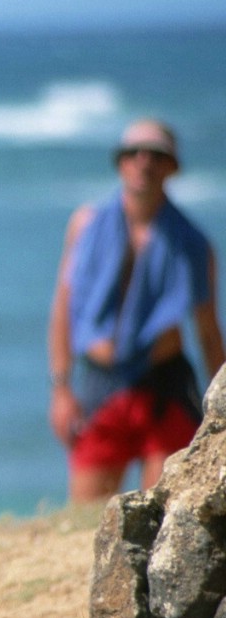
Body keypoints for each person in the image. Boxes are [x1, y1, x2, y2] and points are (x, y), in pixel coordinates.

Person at [47, 117, 224, 502]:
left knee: (162, 515)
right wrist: (62, 388)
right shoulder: (86, 225)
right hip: (100, 385)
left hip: (162, 386)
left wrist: (221, 417)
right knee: (85, 521)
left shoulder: (193, 245)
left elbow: (208, 334)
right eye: (133, 153)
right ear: (120, 163)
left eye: (156, 155)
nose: (144, 162)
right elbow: (64, 310)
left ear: (172, 167)